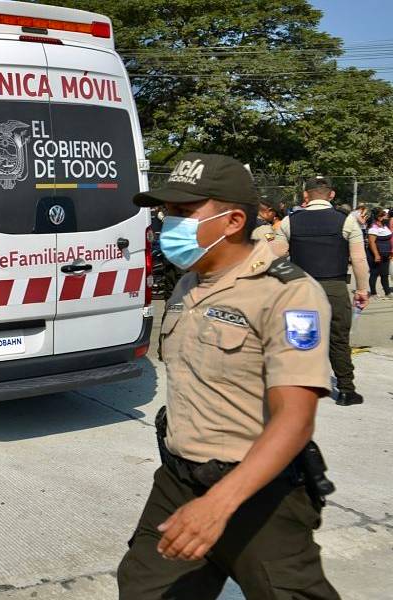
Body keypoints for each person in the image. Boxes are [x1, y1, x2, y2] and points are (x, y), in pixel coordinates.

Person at [117, 153, 338, 599]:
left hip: (258, 493)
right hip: (178, 479)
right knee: (143, 589)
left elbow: (295, 418)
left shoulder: (289, 293)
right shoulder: (188, 283)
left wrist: (219, 504)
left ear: (233, 219)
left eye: (182, 212)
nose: (168, 222)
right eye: (166, 211)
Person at [275, 176, 369, 406]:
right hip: (334, 287)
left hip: (300, 287)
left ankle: (299, 390)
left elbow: (273, 255)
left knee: (299, 338)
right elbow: (358, 259)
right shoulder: (346, 220)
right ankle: (346, 390)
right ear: (332, 194)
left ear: (305, 195)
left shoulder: (290, 221)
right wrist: (363, 290)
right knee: (338, 339)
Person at [366, 209, 392, 298]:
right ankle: (373, 293)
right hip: (375, 254)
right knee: (374, 273)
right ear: (379, 217)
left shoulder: (385, 226)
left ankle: (387, 292)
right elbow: (372, 242)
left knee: (384, 274)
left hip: (385, 254)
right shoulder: (374, 227)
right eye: (384, 215)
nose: (386, 217)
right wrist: (376, 255)